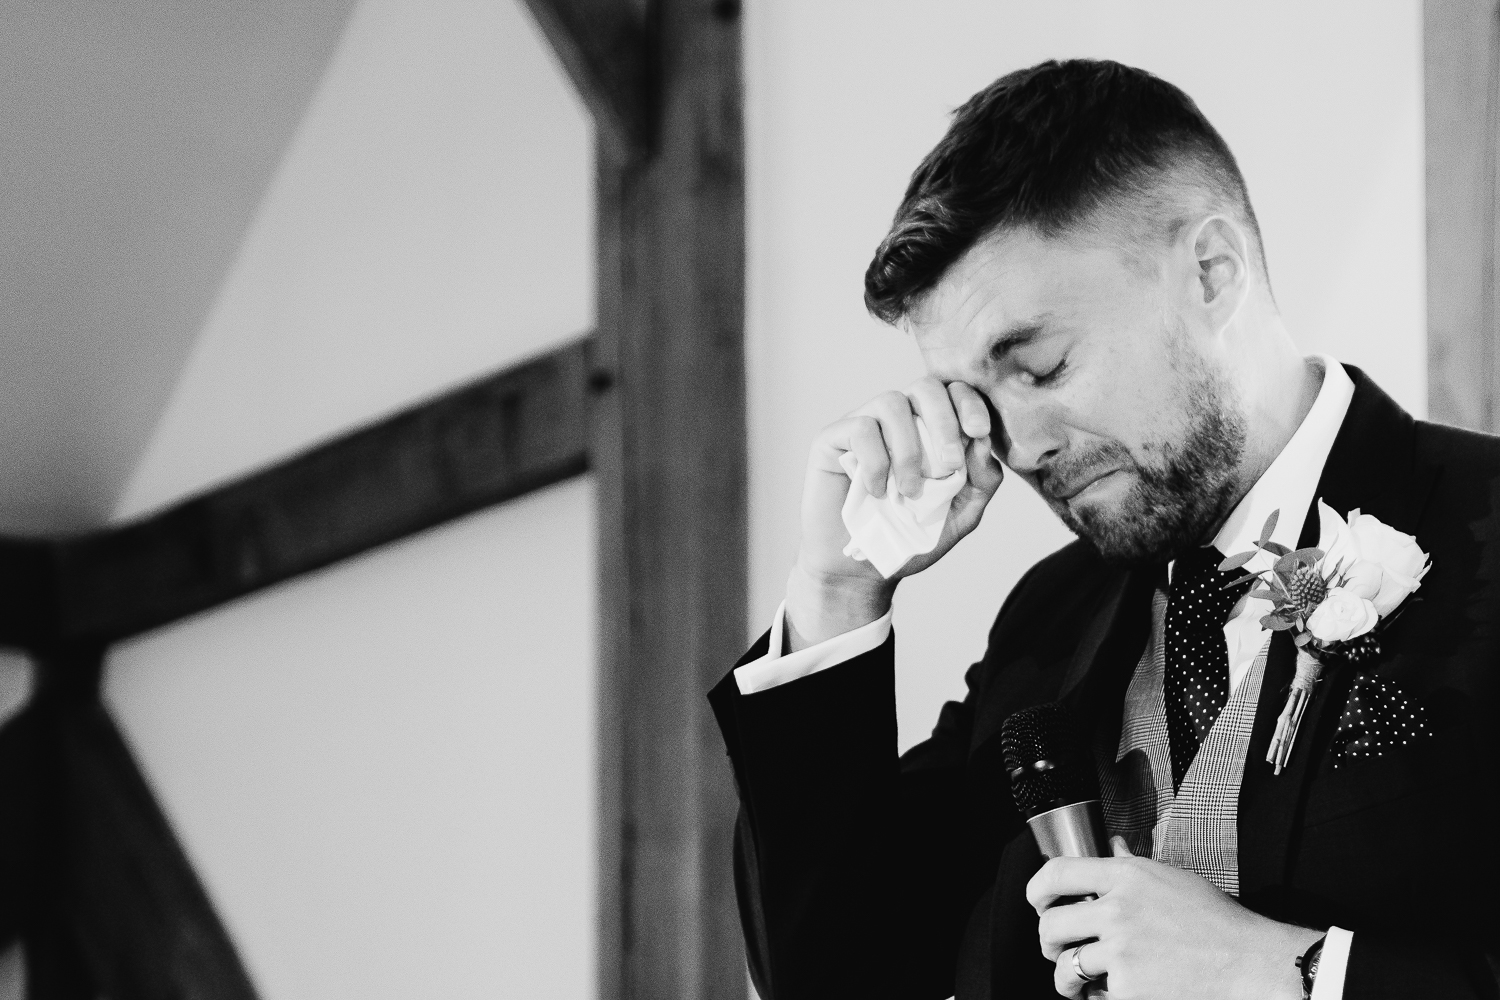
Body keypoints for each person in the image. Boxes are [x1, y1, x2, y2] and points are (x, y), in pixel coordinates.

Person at [708, 59, 1500, 1000]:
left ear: (1212, 273)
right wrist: (836, 593)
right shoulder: (1046, 624)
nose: (1022, 447)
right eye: (977, 401)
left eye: (1038, 367)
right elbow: (838, 974)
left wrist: (1295, 974)